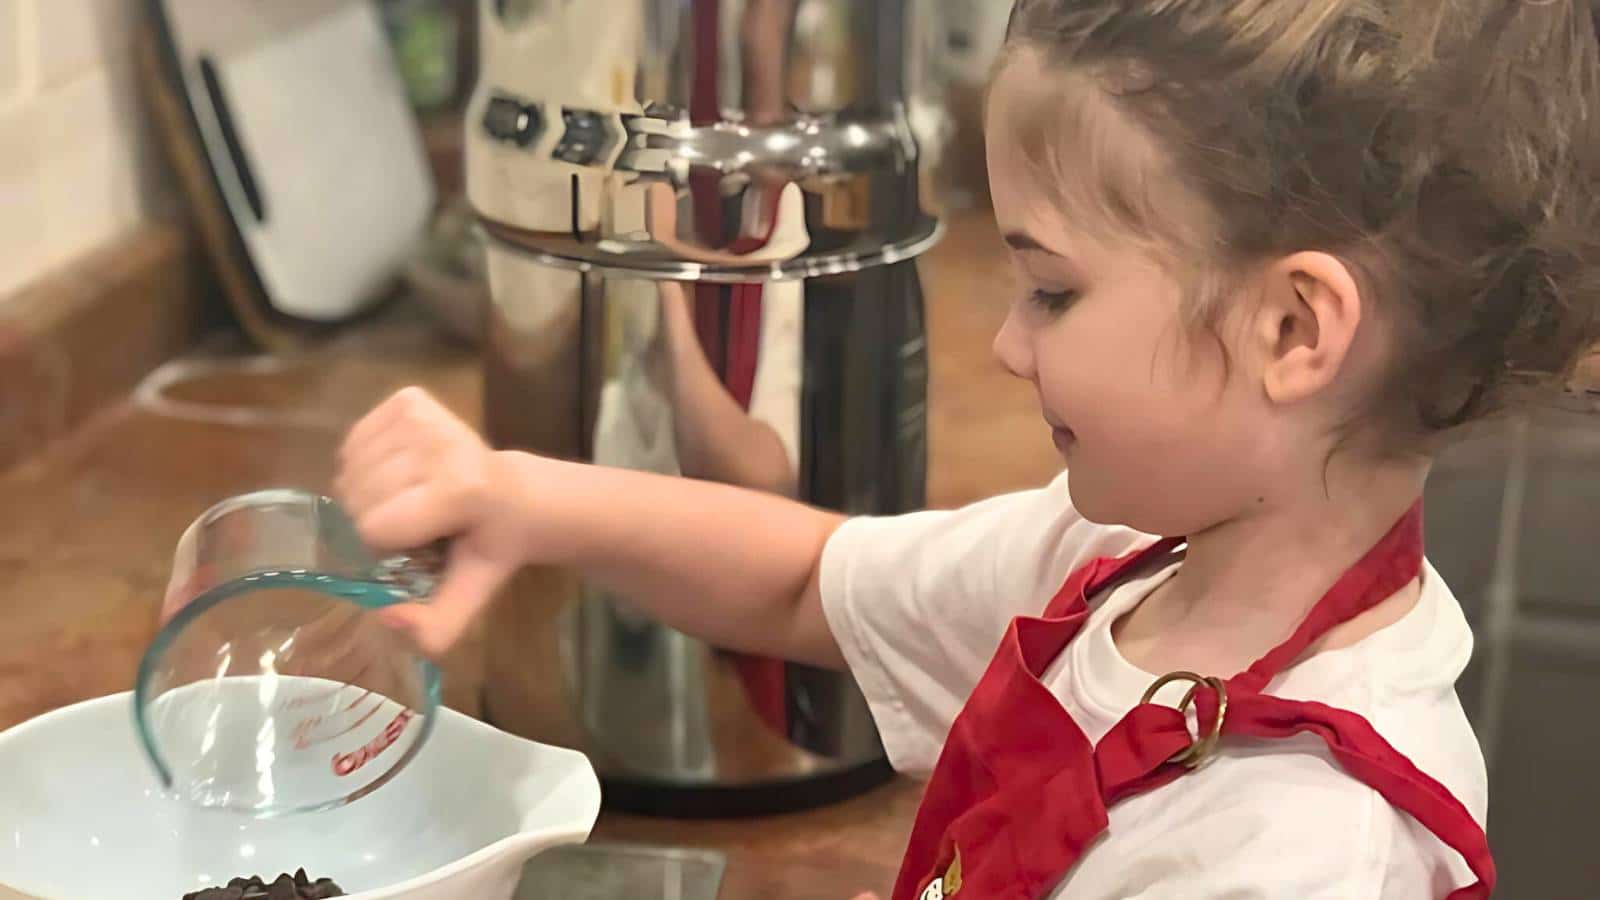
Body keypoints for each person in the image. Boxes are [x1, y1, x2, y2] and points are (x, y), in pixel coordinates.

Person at [333, 1, 1600, 896]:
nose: (1002, 344)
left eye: (1051, 291)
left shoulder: (1301, 844)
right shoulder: (1119, 566)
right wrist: (518, 498)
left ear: (1290, 326)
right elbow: (805, 580)